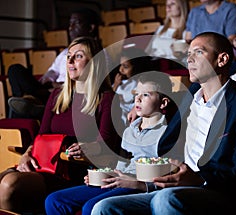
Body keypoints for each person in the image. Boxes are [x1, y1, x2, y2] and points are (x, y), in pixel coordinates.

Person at [91, 32, 236, 215]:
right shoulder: (191, 96)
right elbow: (166, 142)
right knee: (104, 207)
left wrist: (199, 178)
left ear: (221, 60)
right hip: (175, 184)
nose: (189, 59)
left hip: (217, 190)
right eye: (188, 54)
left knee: (164, 199)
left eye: (198, 52)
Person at [0, 37, 120, 213]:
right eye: (69, 56)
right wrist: (26, 155)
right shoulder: (57, 95)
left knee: (9, 185)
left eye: (78, 56)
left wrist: (87, 148)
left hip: (73, 170)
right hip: (43, 163)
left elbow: (108, 143)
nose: (70, 61)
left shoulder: (107, 98)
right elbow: (41, 136)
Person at [44, 71, 172, 215]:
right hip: (119, 179)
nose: (138, 99)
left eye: (146, 95)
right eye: (137, 94)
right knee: (54, 200)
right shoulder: (130, 130)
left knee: (91, 207)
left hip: (138, 184)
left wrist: (138, 182)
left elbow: (169, 175)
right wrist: (103, 175)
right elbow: (121, 163)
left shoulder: (168, 132)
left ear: (163, 103)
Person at [7, 8, 101, 119]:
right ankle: (29, 99)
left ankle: (28, 102)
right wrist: (46, 81)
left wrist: (54, 86)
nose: (70, 28)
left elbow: (86, 84)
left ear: (91, 27)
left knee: (20, 105)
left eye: (76, 23)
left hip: (66, 94)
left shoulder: (98, 53)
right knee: (15, 69)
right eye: (70, 23)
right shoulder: (65, 52)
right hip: (46, 91)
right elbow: (52, 72)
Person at [112, 47, 152, 127]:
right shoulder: (122, 82)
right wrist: (116, 85)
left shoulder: (144, 85)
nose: (120, 70)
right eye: (120, 65)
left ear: (137, 67)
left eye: (125, 67)